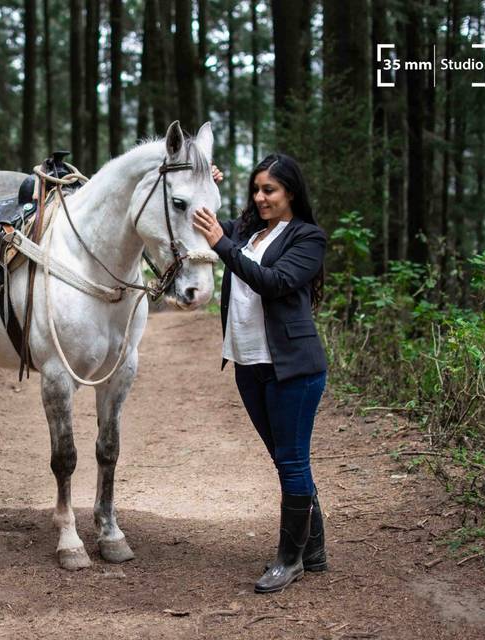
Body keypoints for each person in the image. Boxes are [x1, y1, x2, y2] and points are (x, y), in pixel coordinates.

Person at [193, 153, 328, 594]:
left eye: (269, 189)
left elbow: (272, 280)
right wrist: (204, 180)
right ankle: (314, 549)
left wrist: (223, 245)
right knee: (287, 459)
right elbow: (205, 219)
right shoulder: (248, 231)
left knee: (291, 461)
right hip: (249, 365)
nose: (260, 197)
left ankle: (289, 561)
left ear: (291, 191)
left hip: (293, 369)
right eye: (256, 189)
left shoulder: (308, 238)